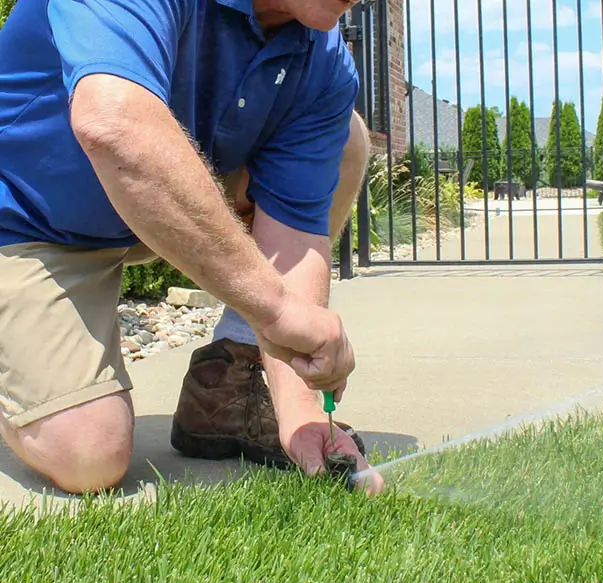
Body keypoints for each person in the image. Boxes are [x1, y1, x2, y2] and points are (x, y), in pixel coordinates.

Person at [0, 0, 385, 494]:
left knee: (344, 140)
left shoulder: (322, 56)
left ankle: (234, 381)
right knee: (88, 455)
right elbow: (113, 124)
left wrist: (301, 413)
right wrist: (275, 307)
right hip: (24, 220)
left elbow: (293, 223)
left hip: (146, 206)